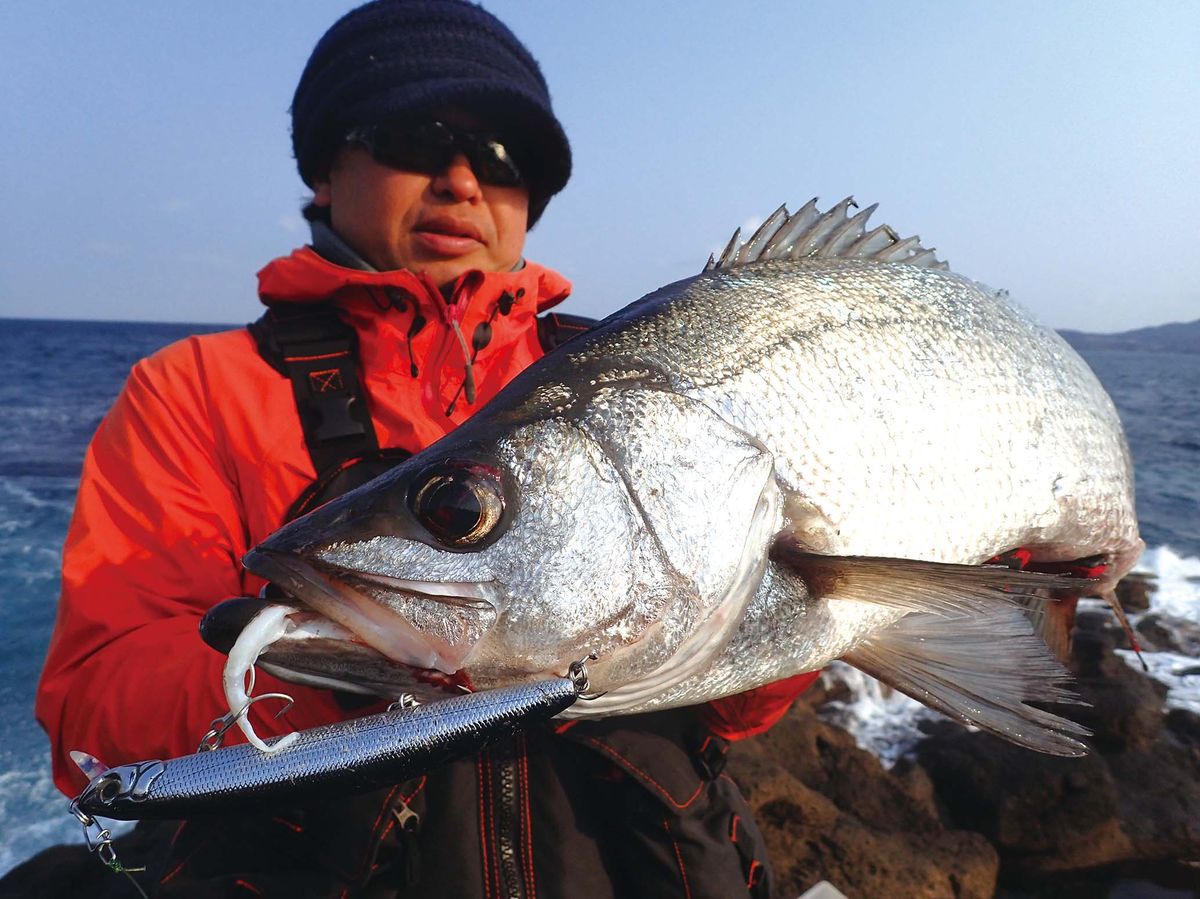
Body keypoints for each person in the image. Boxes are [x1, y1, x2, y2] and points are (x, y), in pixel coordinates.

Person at [33, 2, 817, 895]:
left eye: (506, 156)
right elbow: (89, 713)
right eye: (418, 136)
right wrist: (342, 672)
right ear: (326, 167)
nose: (461, 179)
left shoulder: (645, 388)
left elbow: (727, 701)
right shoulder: (195, 390)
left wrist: (817, 615)